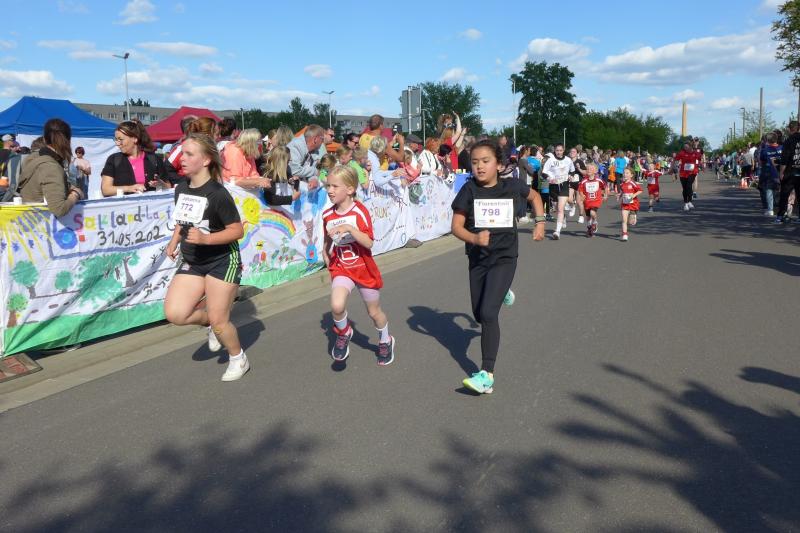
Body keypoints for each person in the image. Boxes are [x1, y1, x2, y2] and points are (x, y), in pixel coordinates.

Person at [450, 139, 546, 395]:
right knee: (478, 314)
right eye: (475, 162)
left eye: (485, 161)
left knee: (489, 314)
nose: (479, 166)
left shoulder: (512, 186)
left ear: (499, 165)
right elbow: (456, 227)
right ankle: (502, 292)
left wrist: (539, 223)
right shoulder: (468, 190)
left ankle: (486, 374)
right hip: (478, 259)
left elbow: (535, 196)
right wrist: (474, 238)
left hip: (505, 257)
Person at [163, 133, 248, 382]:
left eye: (189, 154)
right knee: (176, 314)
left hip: (222, 260)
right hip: (194, 260)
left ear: (206, 160)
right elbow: (182, 219)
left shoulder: (218, 194)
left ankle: (238, 358)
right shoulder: (181, 188)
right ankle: (211, 322)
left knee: (221, 323)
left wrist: (205, 239)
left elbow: (237, 231)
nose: (182, 158)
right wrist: (174, 240)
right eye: (182, 153)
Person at [322, 165, 395, 365]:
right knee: (336, 306)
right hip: (342, 267)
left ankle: (385, 340)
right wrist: (325, 252)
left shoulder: (360, 212)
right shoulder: (327, 214)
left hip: (363, 268)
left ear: (350, 189)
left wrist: (349, 228)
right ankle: (344, 332)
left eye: (335, 186)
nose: (330, 190)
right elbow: (327, 237)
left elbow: (369, 242)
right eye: (328, 186)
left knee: (374, 313)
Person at [17, 118, 85, 215]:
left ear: (44, 139)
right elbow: (59, 209)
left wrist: (68, 187)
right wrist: (76, 194)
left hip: (27, 218)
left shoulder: (32, 158)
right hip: (41, 220)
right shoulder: (51, 167)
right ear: (68, 141)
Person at [101, 120, 170, 196]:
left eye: (120, 139)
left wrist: (161, 185)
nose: (117, 143)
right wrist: (129, 188)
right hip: (124, 204)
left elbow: (168, 186)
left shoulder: (154, 159)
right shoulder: (114, 159)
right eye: (116, 140)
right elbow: (106, 190)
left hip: (151, 203)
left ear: (135, 139)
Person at [541, 143, 574, 239]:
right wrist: (549, 179)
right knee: (556, 207)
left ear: (563, 150)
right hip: (553, 186)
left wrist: (571, 176)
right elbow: (544, 173)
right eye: (557, 150)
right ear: (554, 151)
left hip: (564, 185)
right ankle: (563, 217)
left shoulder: (568, 160)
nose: (559, 152)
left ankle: (557, 232)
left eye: (560, 150)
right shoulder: (550, 160)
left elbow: (572, 170)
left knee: (560, 208)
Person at [288, 124, 324, 189]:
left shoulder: (315, 151)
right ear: (315, 139)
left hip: (300, 186)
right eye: (322, 139)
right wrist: (315, 171)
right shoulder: (295, 146)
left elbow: (310, 171)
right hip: (288, 188)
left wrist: (313, 180)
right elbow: (295, 171)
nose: (322, 142)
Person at [778, 121, 800, 223]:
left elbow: (785, 158)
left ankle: (781, 216)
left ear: (789, 129)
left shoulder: (788, 141)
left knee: (784, 194)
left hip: (790, 171)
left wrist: (781, 172)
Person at [578, 162, 606, 237]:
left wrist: (605, 195)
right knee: (588, 217)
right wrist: (582, 195)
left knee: (592, 213)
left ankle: (595, 222)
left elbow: (604, 187)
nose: (589, 170)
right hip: (587, 201)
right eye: (587, 169)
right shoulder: (584, 181)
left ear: (595, 171)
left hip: (596, 200)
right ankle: (589, 228)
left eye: (591, 169)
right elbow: (580, 190)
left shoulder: (598, 180)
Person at [165, 114, 198, 179]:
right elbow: (168, 167)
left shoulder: (201, 145)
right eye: (198, 128)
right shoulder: (181, 147)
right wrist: (182, 182)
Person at [759, 132, 782, 218]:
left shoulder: (765, 150)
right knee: (780, 190)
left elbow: (761, 162)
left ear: (767, 140)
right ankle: (781, 209)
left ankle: (770, 210)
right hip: (781, 171)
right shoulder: (782, 148)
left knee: (769, 190)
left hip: (769, 172)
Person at [673, 142, 699, 211]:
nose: (685, 148)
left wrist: (696, 146)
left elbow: (699, 157)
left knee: (689, 186)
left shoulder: (694, 152)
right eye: (684, 147)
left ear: (690, 147)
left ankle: (689, 201)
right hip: (683, 173)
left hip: (692, 172)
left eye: (686, 147)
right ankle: (686, 203)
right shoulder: (682, 153)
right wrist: (671, 169)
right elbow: (675, 159)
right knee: (684, 188)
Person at [618, 167, 642, 242]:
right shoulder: (622, 184)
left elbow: (640, 190)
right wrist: (619, 196)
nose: (625, 174)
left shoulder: (632, 183)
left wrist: (634, 195)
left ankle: (634, 215)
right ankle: (625, 234)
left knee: (631, 222)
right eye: (624, 173)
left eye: (627, 173)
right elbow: (622, 192)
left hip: (633, 204)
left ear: (631, 175)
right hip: (625, 204)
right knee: (624, 219)